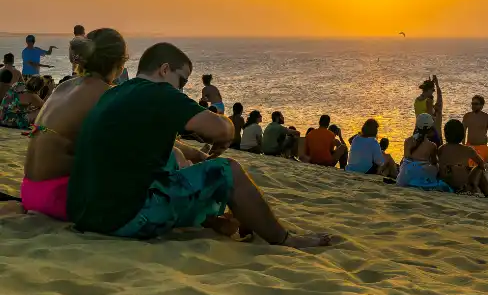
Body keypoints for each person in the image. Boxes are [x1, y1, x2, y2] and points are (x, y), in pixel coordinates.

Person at [66, 42, 331, 248]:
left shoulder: (115, 93)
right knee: (229, 170)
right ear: (164, 69)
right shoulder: (159, 92)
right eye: (181, 81)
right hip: (124, 219)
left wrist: (197, 155)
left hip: (85, 215)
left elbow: (158, 147)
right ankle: (284, 240)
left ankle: (225, 217)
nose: (180, 90)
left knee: (177, 160)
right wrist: (225, 135)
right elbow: (221, 127)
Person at [21, 29, 127, 220]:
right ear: (119, 65)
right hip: (57, 198)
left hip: (29, 191)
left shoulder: (65, 86)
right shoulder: (107, 94)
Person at [397, 113, 449, 189]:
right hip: (420, 175)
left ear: (417, 126)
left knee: (405, 162)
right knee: (436, 166)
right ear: (430, 128)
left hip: (405, 176)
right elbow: (434, 162)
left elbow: (407, 159)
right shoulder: (432, 145)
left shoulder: (407, 141)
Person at [438, 119, 488, 194]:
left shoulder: (441, 148)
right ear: (462, 134)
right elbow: (481, 163)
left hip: (445, 181)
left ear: (446, 134)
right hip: (460, 184)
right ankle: (486, 191)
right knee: (480, 169)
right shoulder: (468, 150)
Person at [462, 95, 488, 164]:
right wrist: (463, 146)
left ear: (481, 105)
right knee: (468, 168)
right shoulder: (467, 116)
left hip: (482, 147)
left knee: (481, 170)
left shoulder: (487, 118)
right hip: (469, 147)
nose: (473, 106)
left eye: (476, 104)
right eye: (472, 103)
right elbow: (463, 132)